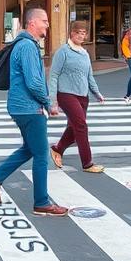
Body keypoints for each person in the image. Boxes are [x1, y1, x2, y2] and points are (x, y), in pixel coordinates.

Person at [0, 7, 66, 216]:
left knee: (30, 148)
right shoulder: (28, 47)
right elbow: (34, 82)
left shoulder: (24, 44)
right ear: (32, 23)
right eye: (44, 21)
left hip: (20, 106)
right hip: (29, 108)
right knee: (40, 155)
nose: (48, 24)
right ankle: (42, 202)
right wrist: (48, 103)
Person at [48, 21, 105, 174]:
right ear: (71, 33)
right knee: (81, 126)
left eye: (83, 33)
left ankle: (57, 149)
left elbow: (89, 75)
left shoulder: (85, 53)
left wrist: (96, 92)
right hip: (66, 94)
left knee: (74, 128)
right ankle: (87, 163)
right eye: (78, 32)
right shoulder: (63, 52)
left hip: (83, 95)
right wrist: (52, 101)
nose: (81, 35)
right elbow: (53, 75)